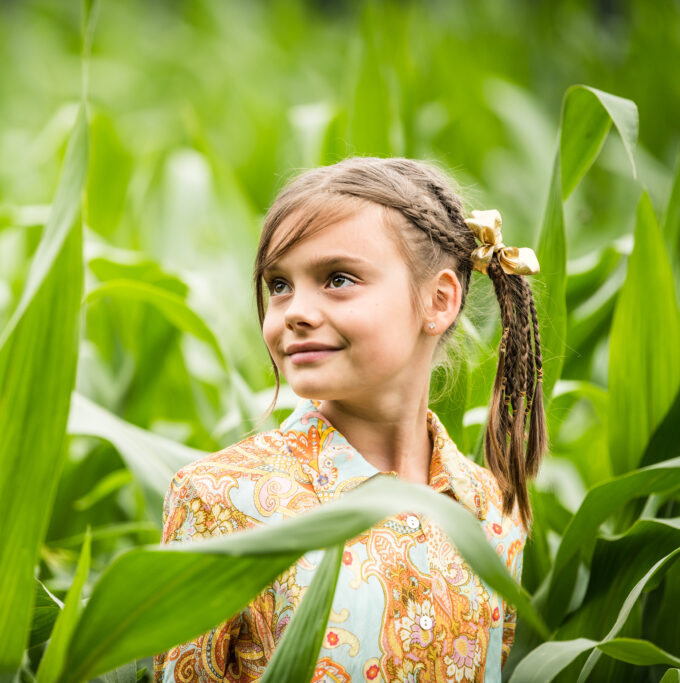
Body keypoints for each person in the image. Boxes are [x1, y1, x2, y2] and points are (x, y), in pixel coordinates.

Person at [153, 157, 546, 682]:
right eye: (279, 285)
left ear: (440, 299)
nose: (294, 310)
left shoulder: (492, 514)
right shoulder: (222, 501)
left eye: (337, 279)